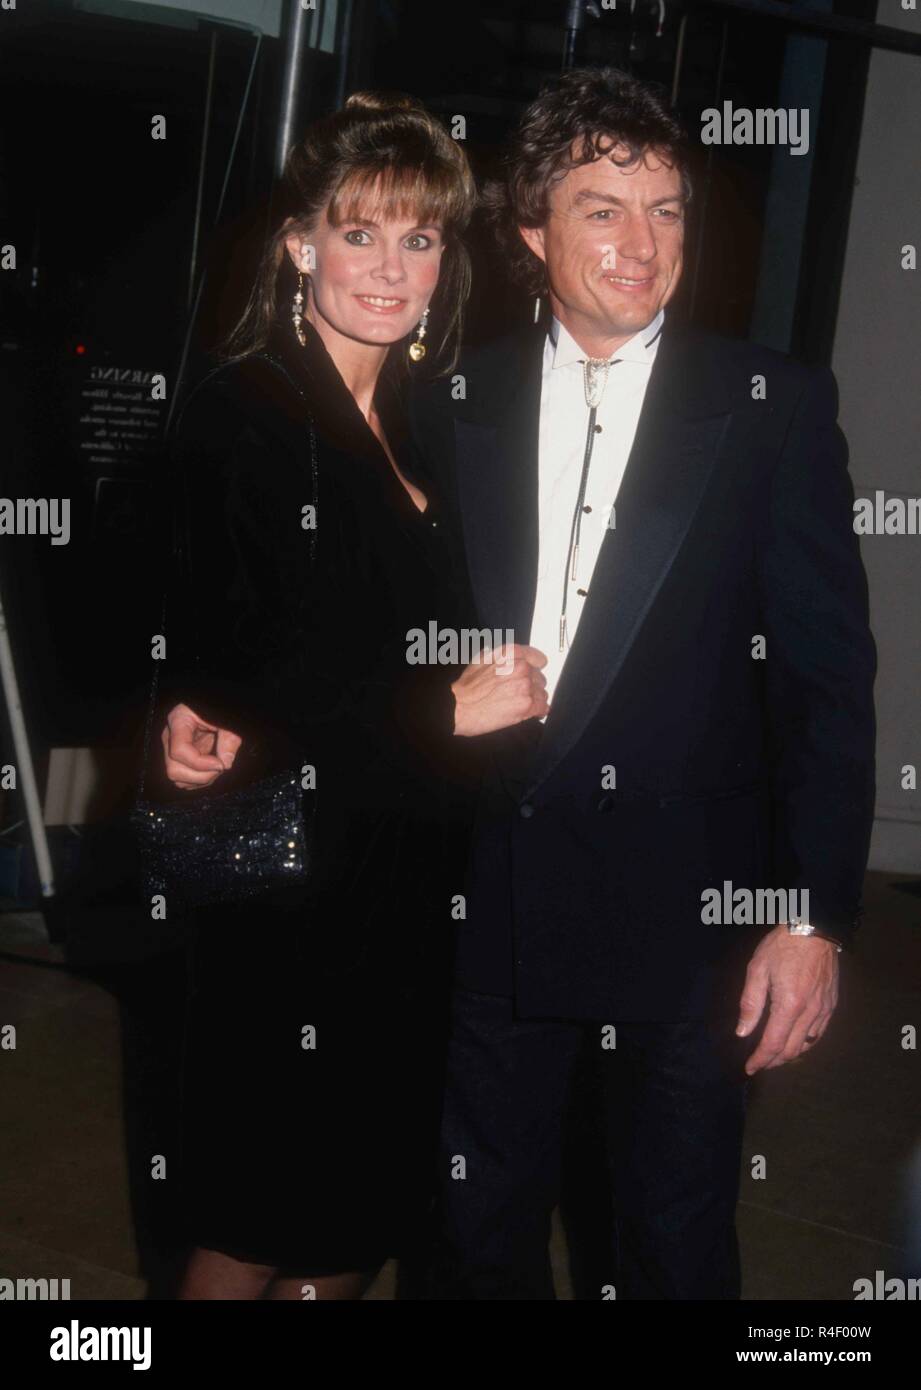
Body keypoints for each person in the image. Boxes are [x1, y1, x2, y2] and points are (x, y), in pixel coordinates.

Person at [407, 66, 877, 1299]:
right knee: (474, 1239)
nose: (641, 241)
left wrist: (810, 914)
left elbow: (826, 684)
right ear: (530, 232)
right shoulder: (453, 400)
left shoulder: (772, 406)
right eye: (604, 207)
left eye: (666, 209)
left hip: (692, 925)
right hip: (487, 905)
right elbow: (380, 629)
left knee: (669, 1245)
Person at [157, 90, 548, 1301]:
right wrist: (442, 716)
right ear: (299, 245)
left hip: (410, 891)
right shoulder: (243, 415)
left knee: (350, 1226)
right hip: (288, 901)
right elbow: (240, 688)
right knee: (255, 1216)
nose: (391, 266)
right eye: (360, 230)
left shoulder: (434, 429)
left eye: (420, 237)